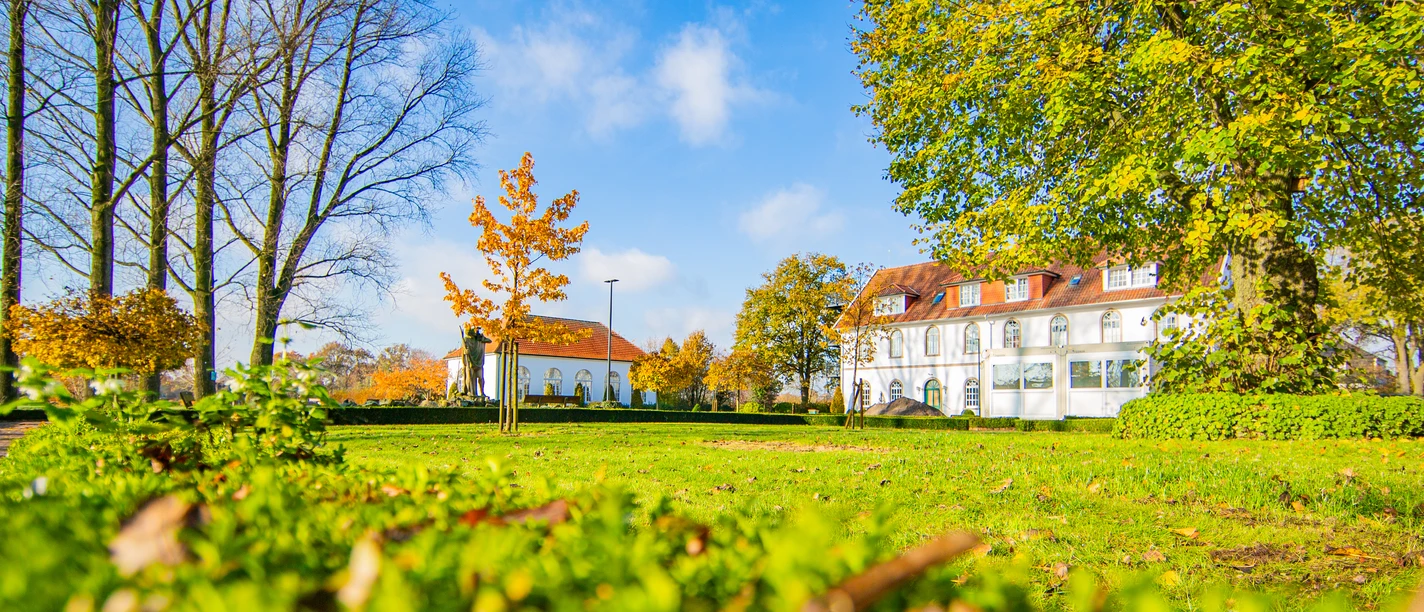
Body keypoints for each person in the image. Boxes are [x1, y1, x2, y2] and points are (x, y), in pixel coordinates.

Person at [461, 327, 492, 398]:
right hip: (470, 362)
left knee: (481, 378)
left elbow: (489, 341)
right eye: (475, 330)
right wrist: (465, 351)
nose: (476, 332)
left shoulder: (479, 339)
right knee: (470, 377)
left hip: (479, 362)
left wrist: (481, 338)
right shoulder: (466, 340)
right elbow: (463, 351)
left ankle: (482, 392)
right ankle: (470, 391)